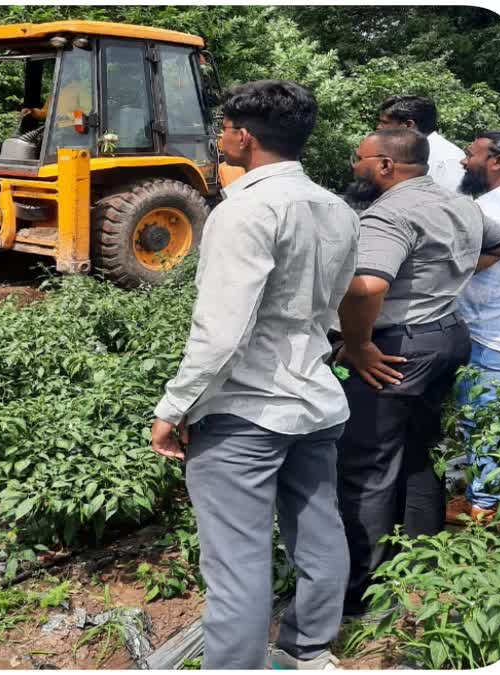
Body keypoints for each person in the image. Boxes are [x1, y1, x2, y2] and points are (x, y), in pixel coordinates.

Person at [151, 80, 358, 670]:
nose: (220, 140)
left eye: (223, 130)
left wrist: (173, 408)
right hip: (315, 400)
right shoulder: (336, 209)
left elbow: (222, 331)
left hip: (246, 410)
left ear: (244, 136)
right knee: (318, 531)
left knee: (237, 561)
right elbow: (335, 303)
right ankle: (310, 650)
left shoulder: (244, 209)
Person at [336, 127, 500, 620]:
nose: (355, 165)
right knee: (416, 450)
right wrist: (450, 274)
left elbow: (366, 286)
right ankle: (421, 561)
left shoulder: (389, 213)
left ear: (387, 166)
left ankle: (360, 593)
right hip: (449, 336)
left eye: (360, 158)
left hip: (398, 347)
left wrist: (358, 345)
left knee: (366, 466)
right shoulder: (457, 202)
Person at [447, 130, 500, 524]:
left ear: (497, 161)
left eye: (471, 154)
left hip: (489, 333)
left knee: (482, 426)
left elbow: (471, 262)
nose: (463, 161)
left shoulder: (487, 209)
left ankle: (482, 509)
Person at [377, 95, 466, 193]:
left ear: (408, 125)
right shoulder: (405, 153)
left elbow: (457, 205)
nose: (379, 127)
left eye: (385, 123)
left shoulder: (447, 159)